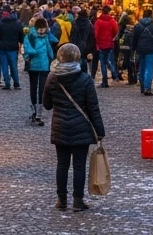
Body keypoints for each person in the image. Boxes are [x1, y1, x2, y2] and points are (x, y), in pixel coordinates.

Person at [43, 42, 106, 213]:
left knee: (62, 165)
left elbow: (47, 105)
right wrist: (99, 131)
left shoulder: (52, 78)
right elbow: (93, 109)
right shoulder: (85, 80)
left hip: (60, 127)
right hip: (81, 129)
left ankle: (61, 200)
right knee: (79, 166)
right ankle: (78, 201)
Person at [24, 16, 56, 125]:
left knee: (42, 89)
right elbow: (27, 49)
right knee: (33, 88)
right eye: (41, 28)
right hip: (33, 65)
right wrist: (35, 52)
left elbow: (52, 44)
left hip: (44, 66)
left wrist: (52, 58)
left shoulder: (46, 35)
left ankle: (39, 113)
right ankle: (34, 111)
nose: (42, 31)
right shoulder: (30, 35)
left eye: (44, 28)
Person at [129, 8, 153, 96]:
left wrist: (133, 49)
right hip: (151, 50)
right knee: (149, 69)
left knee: (141, 68)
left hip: (140, 49)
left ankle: (142, 86)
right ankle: (147, 88)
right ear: (151, 15)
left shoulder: (138, 25)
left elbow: (133, 39)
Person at [0, 9, 23, 90]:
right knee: (13, 65)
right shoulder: (17, 23)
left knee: (4, 66)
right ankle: (16, 82)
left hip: (3, 47)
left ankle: (7, 83)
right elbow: (21, 35)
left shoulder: (0, 23)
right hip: (13, 47)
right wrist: (19, 43)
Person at [93, 6, 120, 87]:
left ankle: (105, 81)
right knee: (108, 60)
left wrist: (97, 41)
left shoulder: (98, 21)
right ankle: (114, 74)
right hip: (109, 43)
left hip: (101, 44)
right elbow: (116, 31)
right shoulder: (112, 21)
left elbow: (96, 34)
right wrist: (111, 37)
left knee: (103, 63)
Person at [70, 8, 96, 75]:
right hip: (86, 48)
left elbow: (72, 37)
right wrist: (91, 50)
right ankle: (84, 81)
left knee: (76, 68)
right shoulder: (89, 24)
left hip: (76, 47)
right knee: (85, 67)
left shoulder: (74, 23)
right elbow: (92, 38)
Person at [118, 10, 136, 84]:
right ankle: (132, 78)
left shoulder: (122, 25)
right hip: (129, 47)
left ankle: (122, 73)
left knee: (126, 62)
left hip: (124, 47)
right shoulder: (131, 27)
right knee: (130, 63)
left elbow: (120, 35)